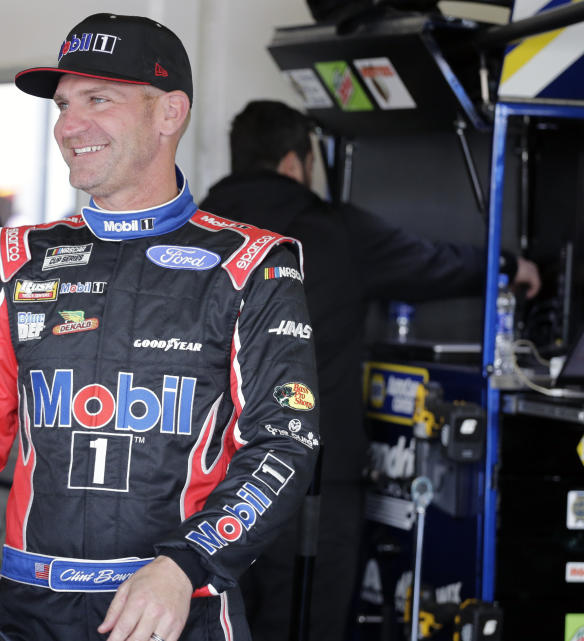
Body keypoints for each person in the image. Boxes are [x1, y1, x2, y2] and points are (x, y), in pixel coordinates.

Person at [0, 14, 321, 641]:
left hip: (176, 609)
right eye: (64, 105)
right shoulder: (22, 258)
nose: (69, 126)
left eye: (99, 100)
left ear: (169, 112)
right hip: (28, 609)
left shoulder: (250, 265)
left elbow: (285, 443)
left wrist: (185, 566)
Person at [199, 99, 540, 641]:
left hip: (205, 479)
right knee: (308, 623)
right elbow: (432, 262)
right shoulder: (332, 229)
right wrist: (507, 266)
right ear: (294, 162)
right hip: (310, 483)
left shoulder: (194, 229)